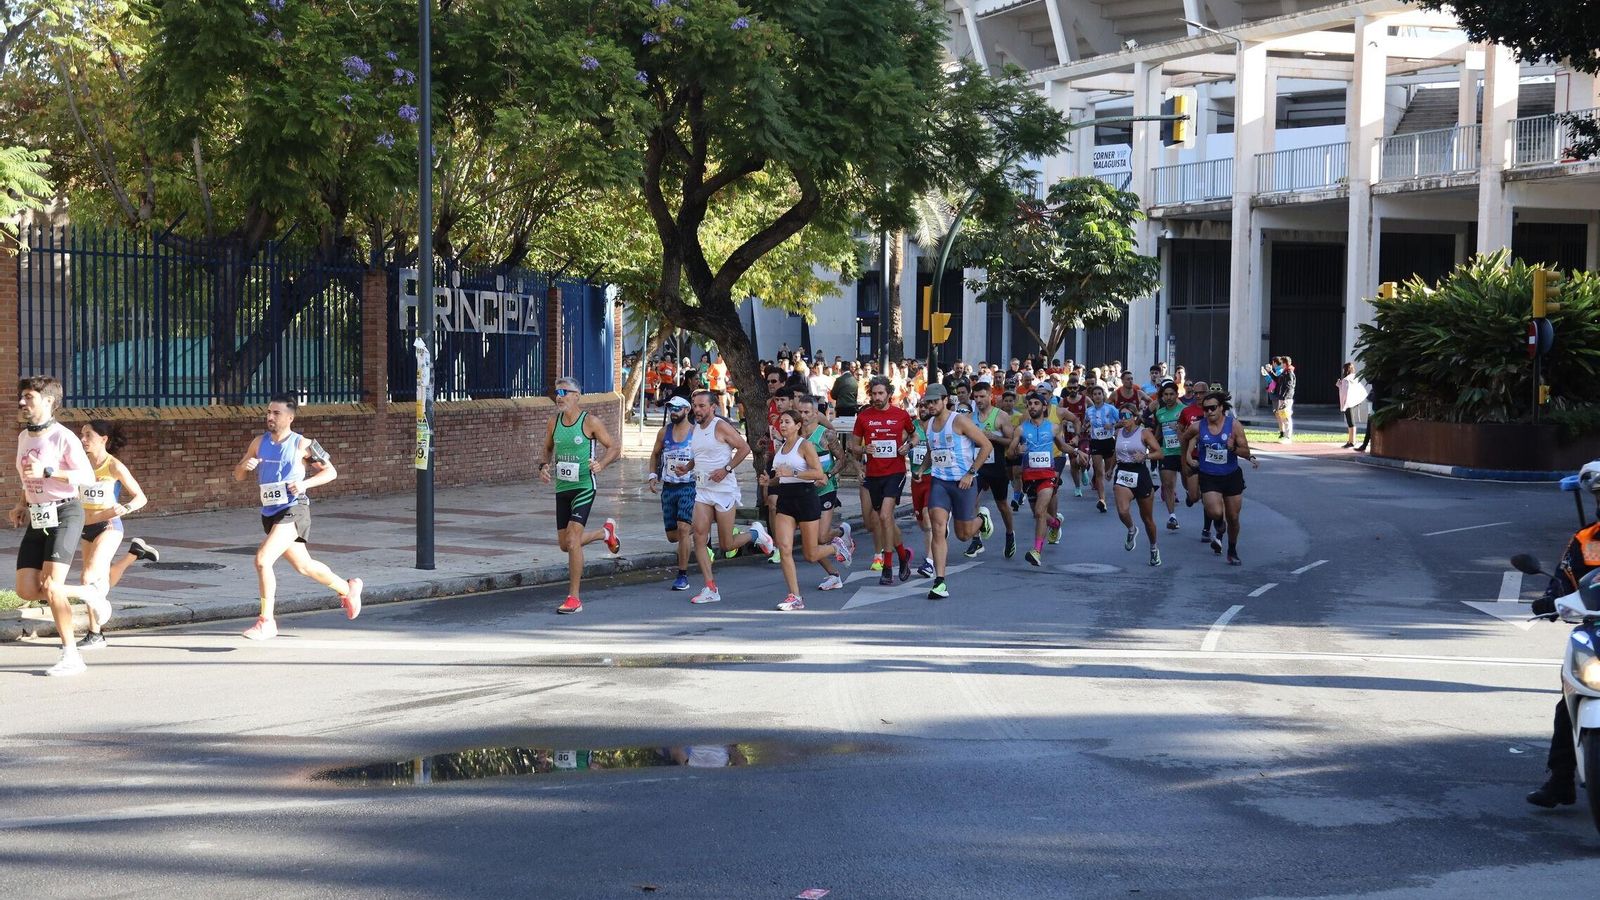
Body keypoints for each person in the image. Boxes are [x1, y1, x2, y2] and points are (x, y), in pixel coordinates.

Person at [233, 392, 365, 639]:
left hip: (294, 509)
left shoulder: (303, 445)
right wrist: (244, 467)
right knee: (305, 566)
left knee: (263, 559)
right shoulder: (258, 442)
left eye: (276, 413)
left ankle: (266, 621)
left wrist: (305, 484)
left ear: (290, 417)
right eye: (268, 412)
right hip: (270, 511)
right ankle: (347, 588)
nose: (270, 417)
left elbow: (331, 472)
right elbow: (238, 475)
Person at [10, 376, 113, 675]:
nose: (22, 403)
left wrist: (50, 470)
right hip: (38, 514)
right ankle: (89, 593)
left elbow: (86, 477)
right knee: (27, 590)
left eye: (29, 397)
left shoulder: (63, 437)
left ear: (49, 401)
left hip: (65, 513)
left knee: (52, 586)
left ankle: (71, 655)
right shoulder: (23, 437)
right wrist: (21, 503)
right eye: (22, 397)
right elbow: (29, 476)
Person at [1526, 461, 1600, 808]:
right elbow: (1566, 579)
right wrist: (1549, 600)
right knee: (1569, 699)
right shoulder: (1586, 540)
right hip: (1596, 629)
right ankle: (1561, 779)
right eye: (1599, 494)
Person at [681, 390, 775, 605]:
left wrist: (726, 468)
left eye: (702, 406)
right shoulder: (694, 429)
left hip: (723, 490)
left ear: (713, 407)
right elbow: (699, 457)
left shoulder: (720, 426)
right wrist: (685, 468)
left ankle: (755, 534)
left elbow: (744, 448)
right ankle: (710, 587)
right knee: (699, 536)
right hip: (703, 489)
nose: (697, 409)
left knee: (726, 544)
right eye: (695, 405)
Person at [538, 378, 622, 615]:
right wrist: (543, 466)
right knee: (565, 545)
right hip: (562, 488)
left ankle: (574, 598)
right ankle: (605, 533)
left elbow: (613, 447)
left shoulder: (590, 422)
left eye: (564, 392)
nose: (559, 396)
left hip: (585, 486)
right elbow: (546, 448)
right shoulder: (554, 422)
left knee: (574, 541)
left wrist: (601, 464)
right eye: (557, 392)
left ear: (577, 396)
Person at [74, 421, 154, 650]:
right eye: (82, 435)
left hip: (109, 526)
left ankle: (99, 617)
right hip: (86, 527)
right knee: (96, 579)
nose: (83, 439)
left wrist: (126, 508)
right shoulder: (81, 465)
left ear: (103, 439)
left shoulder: (114, 466)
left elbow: (141, 497)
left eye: (88, 435)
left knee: (88, 577)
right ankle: (95, 634)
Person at [761, 410, 841, 611]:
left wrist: (794, 472)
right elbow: (781, 477)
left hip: (806, 498)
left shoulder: (804, 445)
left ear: (797, 425)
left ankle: (837, 547)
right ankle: (795, 596)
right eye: (781, 422)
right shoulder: (780, 449)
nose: (783, 425)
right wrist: (768, 481)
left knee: (811, 554)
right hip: (786, 500)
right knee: (785, 548)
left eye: (787, 422)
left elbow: (818, 473)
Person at [921, 385, 994, 599]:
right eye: (928, 402)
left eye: (935, 401)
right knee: (937, 527)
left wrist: (971, 473)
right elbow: (931, 451)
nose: (931, 406)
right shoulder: (928, 425)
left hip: (963, 483)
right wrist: (921, 469)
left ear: (945, 400)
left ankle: (982, 519)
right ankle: (940, 581)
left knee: (963, 535)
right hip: (940, 482)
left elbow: (986, 445)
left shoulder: (959, 421)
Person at [1181, 390, 1259, 566]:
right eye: (1206, 409)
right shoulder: (1197, 427)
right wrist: (1185, 460)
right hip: (1209, 475)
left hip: (1231, 475)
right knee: (1215, 511)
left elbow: (1246, 452)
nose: (1209, 412)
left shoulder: (1234, 425)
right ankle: (1218, 522)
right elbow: (1184, 439)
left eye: (1212, 408)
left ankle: (1232, 550)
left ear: (1221, 408)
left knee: (1233, 517)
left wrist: (1232, 449)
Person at [852, 376, 917, 585]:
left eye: (881, 393)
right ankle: (903, 556)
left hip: (895, 472)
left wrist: (908, 446)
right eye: (874, 393)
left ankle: (888, 567)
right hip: (874, 474)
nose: (877, 397)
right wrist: (864, 449)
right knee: (885, 519)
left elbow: (916, 435)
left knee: (885, 516)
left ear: (889, 394)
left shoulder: (900, 415)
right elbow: (853, 447)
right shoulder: (864, 417)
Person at [1008, 392, 1077, 567]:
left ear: (1044, 407)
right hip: (1029, 476)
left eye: (1036, 403)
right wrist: (1017, 450)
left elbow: (1062, 446)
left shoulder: (1053, 427)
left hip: (1048, 474)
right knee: (1038, 514)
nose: (1032, 406)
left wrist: (1077, 452)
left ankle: (1036, 551)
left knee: (1040, 511)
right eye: (1029, 403)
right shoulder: (1021, 429)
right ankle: (1055, 523)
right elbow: (1009, 453)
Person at [796, 395, 853, 587]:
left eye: (807, 412)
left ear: (816, 413)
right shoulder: (794, 435)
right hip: (804, 490)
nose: (803, 416)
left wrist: (828, 476)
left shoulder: (825, 434)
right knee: (810, 543)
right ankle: (834, 575)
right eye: (800, 412)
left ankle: (840, 532)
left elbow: (842, 459)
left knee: (821, 537)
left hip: (825, 488)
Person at [647, 395, 699, 591]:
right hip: (669, 487)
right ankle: (700, 529)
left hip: (689, 486)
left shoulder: (696, 433)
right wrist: (653, 475)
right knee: (672, 536)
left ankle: (682, 575)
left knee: (683, 529)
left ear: (687, 410)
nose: (673, 412)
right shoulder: (663, 432)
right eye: (670, 408)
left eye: (677, 408)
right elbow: (655, 454)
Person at [964, 381, 1015, 558]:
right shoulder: (969, 418)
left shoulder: (1000, 416)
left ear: (990, 395)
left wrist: (992, 437)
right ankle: (976, 540)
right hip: (977, 466)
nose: (978, 400)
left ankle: (1010, 534)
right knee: (971, 500)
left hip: (997, 466)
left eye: (982, 396)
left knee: (1002, 504)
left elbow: (1011, 441)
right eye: (976, 397)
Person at [1111, 405, 1166, 567]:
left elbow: (1159, 453)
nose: (1124, 418)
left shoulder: (1144, 433)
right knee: (1122, 510)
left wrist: (1146, 455)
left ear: (1135, 416)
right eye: (1121, 415)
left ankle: (1153, 548)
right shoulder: (1119, 433)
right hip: (1123, 472)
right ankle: (1131, 528)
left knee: (1147, 519)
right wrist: (1109, 469)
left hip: (1140, 473)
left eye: (1127, 415)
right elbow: (1116, 452)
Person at [1151, 382, 1185, 532]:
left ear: (1177, 395)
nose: (1169, 397)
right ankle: (1172, 516)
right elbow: (1158, 433)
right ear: (1162, 397)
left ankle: (1192, 494)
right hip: (1167, 452)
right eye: (1166, 394)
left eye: (1172, 394)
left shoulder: (1184, 410)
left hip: (1183, 453)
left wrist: (1179, 429)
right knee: (1168, 485)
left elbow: (1192, 431)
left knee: (1189, 486)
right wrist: (1147, 442)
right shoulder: (1160, 413)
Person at [1084, 384, 1120, 514]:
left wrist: (1112, 425)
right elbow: (1086, 422)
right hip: (1096, 443)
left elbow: (1122, 421)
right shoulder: (1089, 411)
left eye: (1099, 394)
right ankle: (1102, 500)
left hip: (1109, 442)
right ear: (1092, 397)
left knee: (1108, 471)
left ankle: (1113, 479)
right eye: (1095, 394)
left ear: (1103, 395)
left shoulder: (1110, 409)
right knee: (1098, 472)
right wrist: (1085, 428)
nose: (1097, 396)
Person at [1336, 362, 1368, 449]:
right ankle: (1351, 440)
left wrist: (1339, 385)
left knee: (1350, 422)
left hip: (1348, 403)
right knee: (1351, 421)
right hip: (1355, 402)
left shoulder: (1346, 380)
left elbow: (1344, 393)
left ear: (1346, 370)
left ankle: (1352, 441)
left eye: (1344, 369)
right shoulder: (1354, 378)